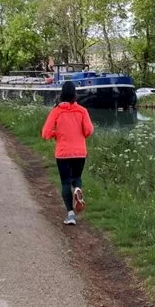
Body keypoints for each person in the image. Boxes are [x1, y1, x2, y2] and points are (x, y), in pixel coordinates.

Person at [41, 81, 94, 225]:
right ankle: (77, 188)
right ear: (75, 94)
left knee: (65, 182)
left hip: (63, 153)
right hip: (80, 152)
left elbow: (45, 133)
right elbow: (89, 130)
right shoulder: (82, 111)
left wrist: (56, 134)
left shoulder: (56, 111)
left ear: (61, 94)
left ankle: (70, 215)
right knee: (77, 177)